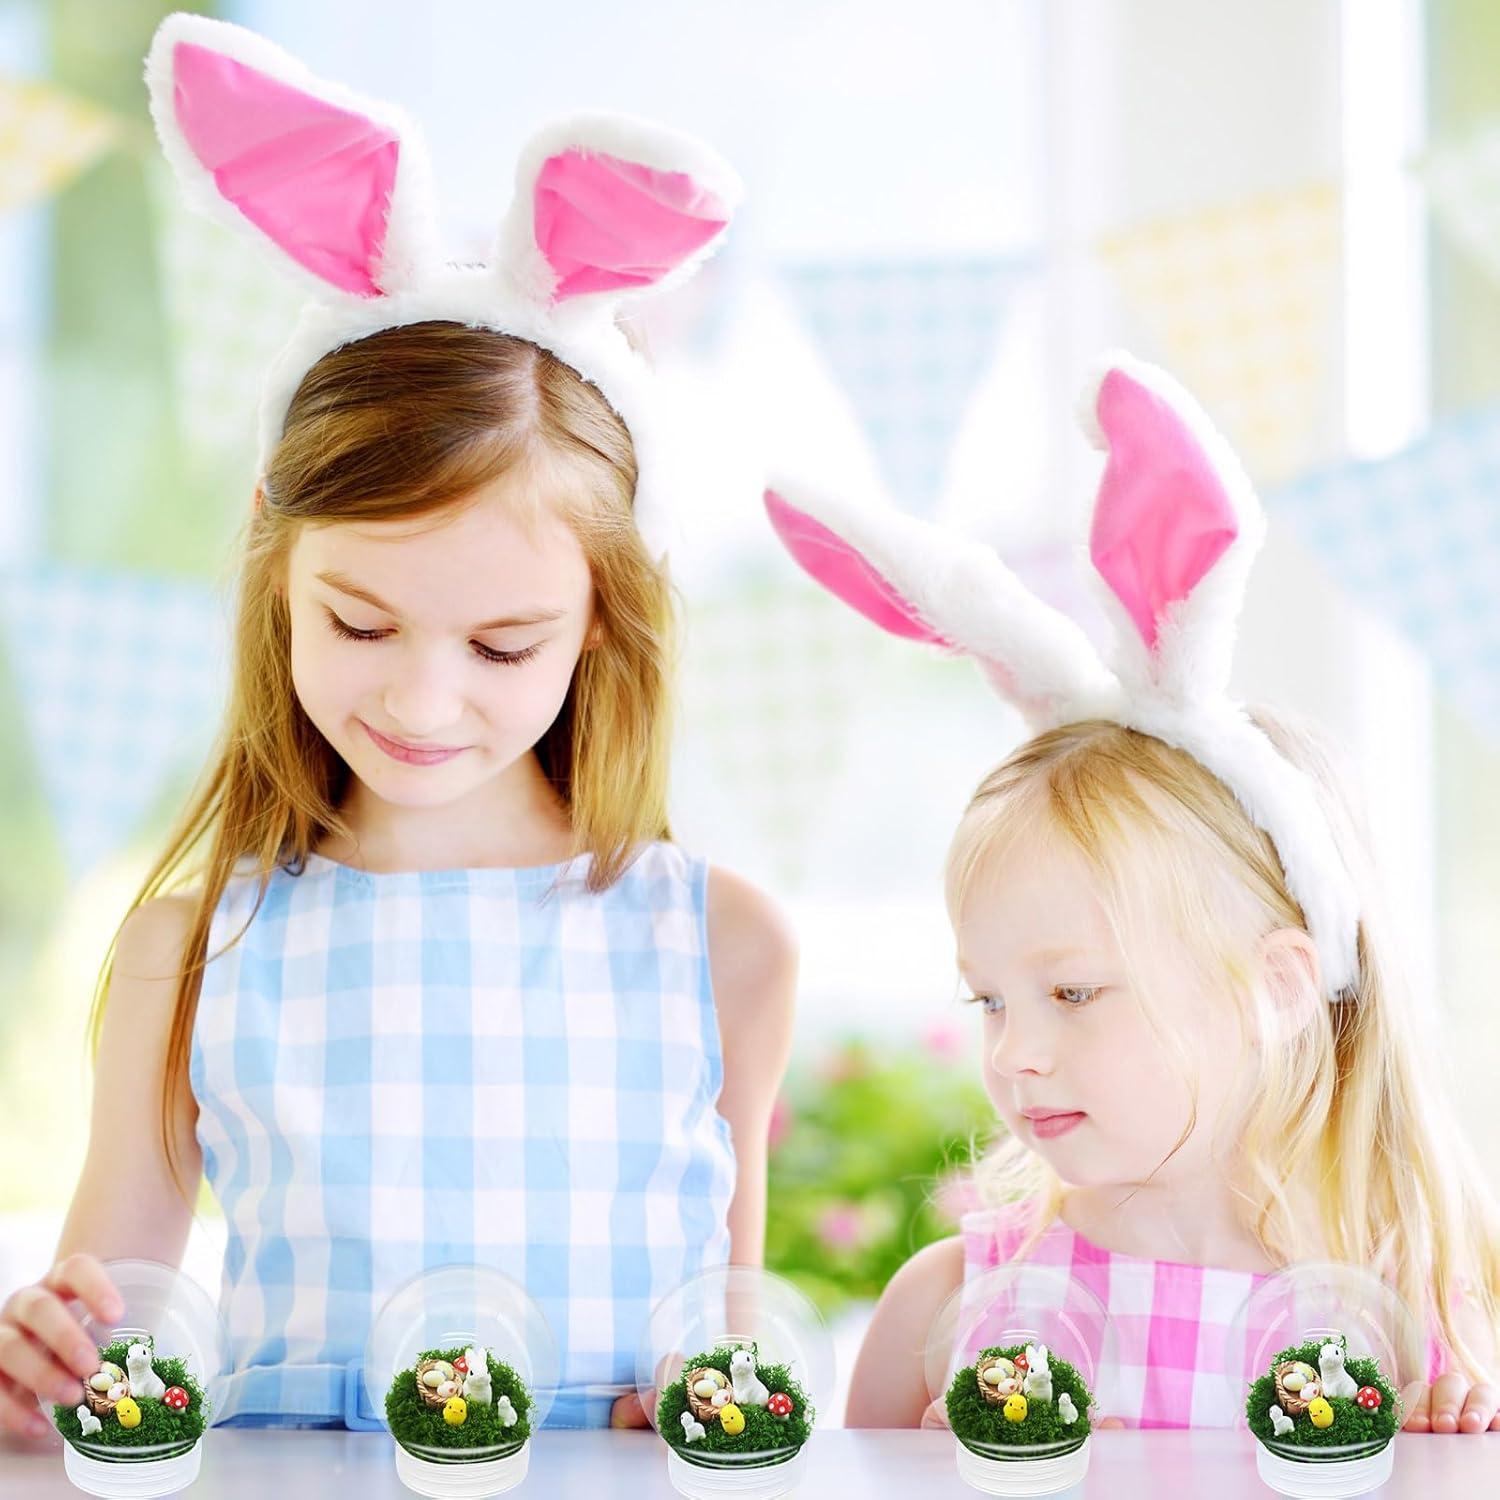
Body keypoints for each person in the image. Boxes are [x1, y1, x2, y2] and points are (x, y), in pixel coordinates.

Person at [0, 14, 794, 1437]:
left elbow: (725, 1350)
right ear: (272, 556)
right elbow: (107, 1368)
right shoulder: (190, 949)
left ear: (605, 612)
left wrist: (708, 1393)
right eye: (360, 624)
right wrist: (38, 1378)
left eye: (504, 644)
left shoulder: (721, 943)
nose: (423, 702)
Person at [766, 351, 1500, 1433]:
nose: (1013, 1052)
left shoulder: (1429, 1339)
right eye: (991, 1000)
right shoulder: (952, 1316)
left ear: (1280, 987)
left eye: (1071, 994)